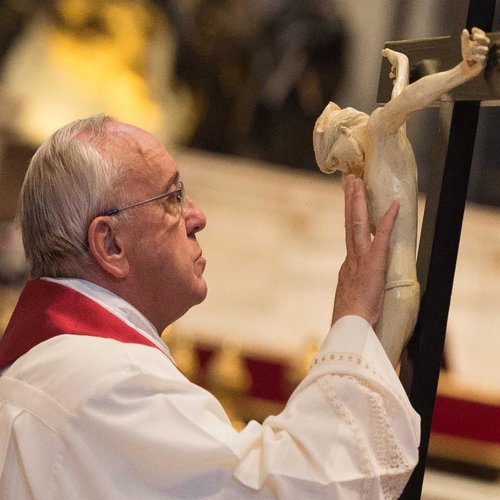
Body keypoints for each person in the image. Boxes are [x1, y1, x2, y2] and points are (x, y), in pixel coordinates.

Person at [0, 114, 419, 498]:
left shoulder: (49, 364)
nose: (197, 216)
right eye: (172, 198)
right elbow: (289, 489)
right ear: (110, 244)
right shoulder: (109, 381)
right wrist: (354, 318)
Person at [313, 27, 490, 366]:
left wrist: (461, 72)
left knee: (371, 385)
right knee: (367, 380)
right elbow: (402, 97)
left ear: (346, 131)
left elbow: (409, 101)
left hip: (396, 289)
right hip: (384, 291)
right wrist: (402, 65)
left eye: (335, 158)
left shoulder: (380, 131)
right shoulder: (386, 146)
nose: (342, 167)